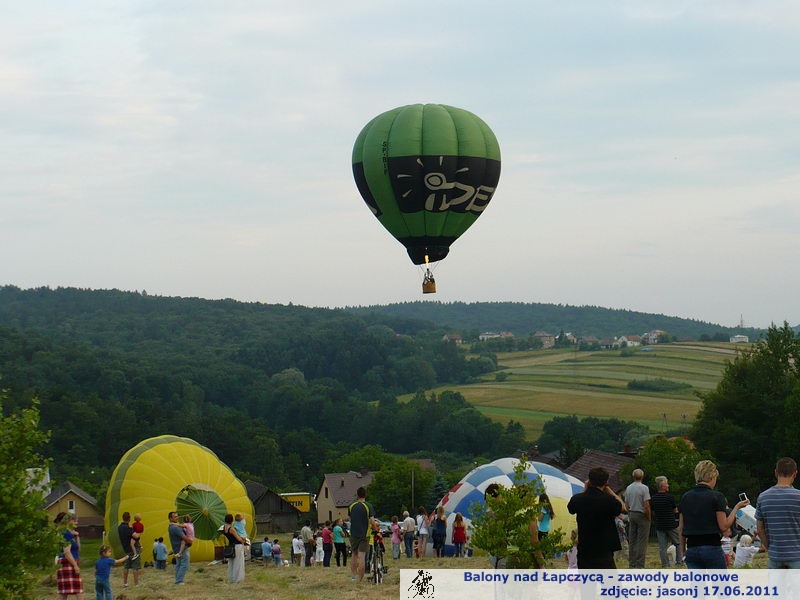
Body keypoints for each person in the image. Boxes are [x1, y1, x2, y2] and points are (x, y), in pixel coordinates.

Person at [679, 460, 748, 570]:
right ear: (712, 477)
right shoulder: (717, 497)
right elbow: (724, 526)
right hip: (711, 546)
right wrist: (736, 508)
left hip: (692, 548)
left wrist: (683, 551)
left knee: (697, 586)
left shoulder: (685, 497)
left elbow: (681, 528)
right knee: (720, 585)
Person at [756, 456, 800, 592]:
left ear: (776, 472)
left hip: (775, 555)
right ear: (795, 473)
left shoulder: (763, 497)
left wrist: (769, 546)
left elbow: (760, 529)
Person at [567, 466, 625, 568]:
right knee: (610, 583)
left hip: (585, 549)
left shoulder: (578, 499)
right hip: (604, 549)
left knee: (587, 583)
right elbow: (622, 507)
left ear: (589, 480)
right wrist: (609, 489)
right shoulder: (608, 500)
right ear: (605, 482)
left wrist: (586, 488)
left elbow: (571, 508)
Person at [652, 475, 684, 567]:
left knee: (662, 547)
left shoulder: (654, 498)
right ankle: (679, 561)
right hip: (670, 524)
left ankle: (665, 564)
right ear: (663, 486)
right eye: (667, 484)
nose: (668, 485)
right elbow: (675, 510)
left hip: (660, 524)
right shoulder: (670, 497)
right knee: (677, 543)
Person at [624, 468, 651, 568]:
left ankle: (632, 562)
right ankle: (640, 563)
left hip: (632, 513)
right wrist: (648, 516)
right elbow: (646, 504)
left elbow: (626, 504)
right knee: (642, 541)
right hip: (641, 514)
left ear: (633, 476)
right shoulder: (644, 488)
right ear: (642, 476)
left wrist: (629, 513)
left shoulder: (628, 488)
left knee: (632, 540)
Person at [55, 512, 84, 600]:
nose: (76, 522)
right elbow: (66, 552)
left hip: (68, 563)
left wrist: (77, 536)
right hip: (68, 563)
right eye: (74, 520)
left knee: (64, 592)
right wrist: (75, 566)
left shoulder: (70, 534)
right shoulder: (66, 533)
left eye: (77, 520)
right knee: (79, 591)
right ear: (69, 521)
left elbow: (78, 549)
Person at [349, 486, 371, 582]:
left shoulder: (351, 506)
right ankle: (360, 579)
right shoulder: (368, 506)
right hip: (364, 534)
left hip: (353, 534)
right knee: (362, 556)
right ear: (365, 495)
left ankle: (353, 576)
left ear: (357, 495)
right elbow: (372, 521)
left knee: (354, 554)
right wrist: (375, 528)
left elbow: (350, 520)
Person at [117, 511, 140, 587]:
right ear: (129, 518)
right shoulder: (128, 528)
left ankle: (125, 583)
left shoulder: (119, 527)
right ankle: (136, 584)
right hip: (132, 549)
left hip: (126, 549)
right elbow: (136, 536)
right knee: (135, 567)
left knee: (126, 566)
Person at [168, 510, 191, 584]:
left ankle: (177, 579)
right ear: (170, 518)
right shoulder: (175, 528)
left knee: (178, 564)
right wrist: (190, 541)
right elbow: (183, 537)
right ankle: (179, 580)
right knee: (184, 564)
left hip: (176, 548)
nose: (177, 518)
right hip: (181, 548)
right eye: (175, 517)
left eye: (177, 516)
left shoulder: (171, 527)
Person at [222, 513, 247, 582]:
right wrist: (243, 540)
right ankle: (237, 579)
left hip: (230, 545)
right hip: (237, 546)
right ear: (232, 520)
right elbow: (238, 538)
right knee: (238, 563)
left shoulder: (224, 528)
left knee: (231, 563)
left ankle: (231, 578)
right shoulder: (232, 529)